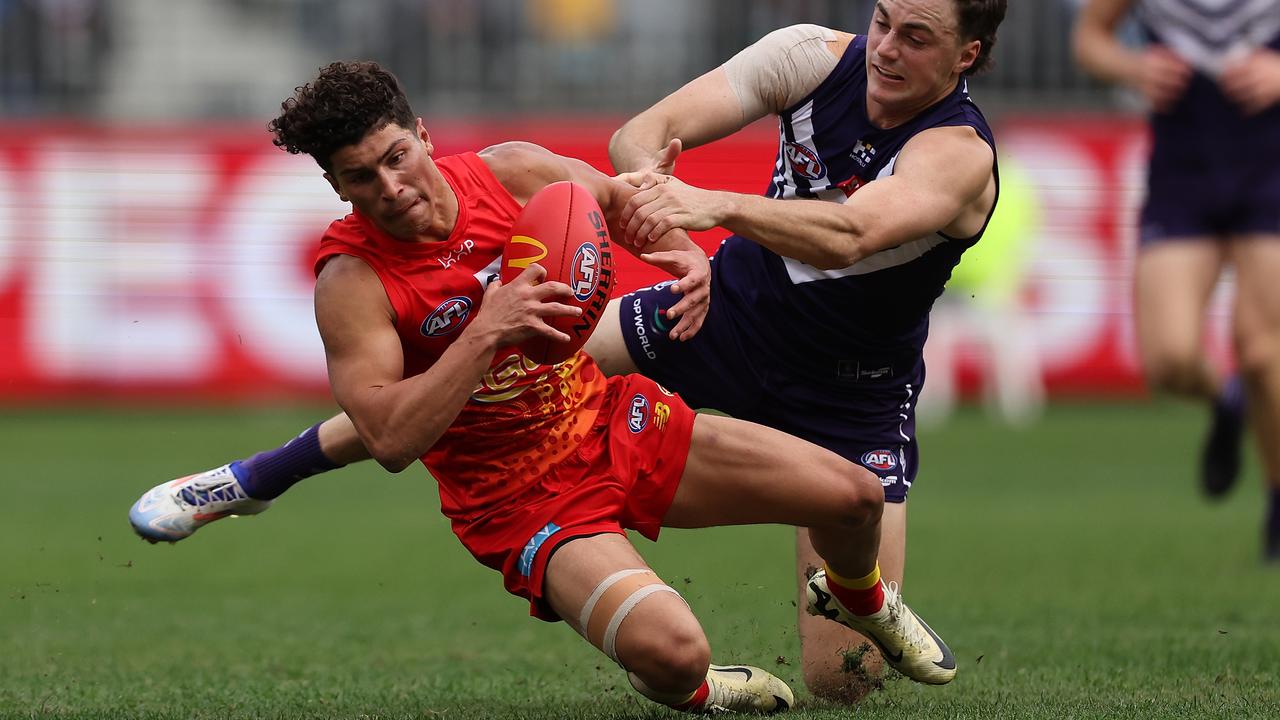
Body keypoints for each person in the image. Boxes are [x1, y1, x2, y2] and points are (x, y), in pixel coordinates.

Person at [132, 0, 1002, 700]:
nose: (886, 47)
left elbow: (845, 234)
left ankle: (860, 601)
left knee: (842, 677)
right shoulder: (812, 55)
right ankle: (253, 478)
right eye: (884, 19)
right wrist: (663, 252)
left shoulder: (958, 154)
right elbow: (639, 147)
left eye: (916, 36)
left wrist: (695, 232)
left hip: (835, 384)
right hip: (692, 341)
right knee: (489, 385)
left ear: (966, 54)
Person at [1073, 0, 1280, 561]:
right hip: (1182, 173)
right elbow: (1090, 38)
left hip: (1271, 167)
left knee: (1264, 352)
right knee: (1167, 359)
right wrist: (1133, 67)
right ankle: (1226, 400)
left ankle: (1278, 500)